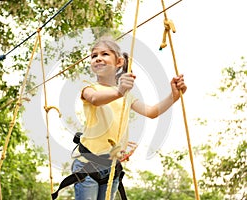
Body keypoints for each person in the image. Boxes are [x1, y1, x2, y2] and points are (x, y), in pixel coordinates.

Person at [52, 37, 187, 200]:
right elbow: (95, 99)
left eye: (104, 54)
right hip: (88, 163)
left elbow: (152, 112)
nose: (98, 58)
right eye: (94, 56)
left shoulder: (126, 96)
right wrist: (119, 92)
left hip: (111, 167)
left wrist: (173, 96)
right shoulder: (89, 87)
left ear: (119, 62)